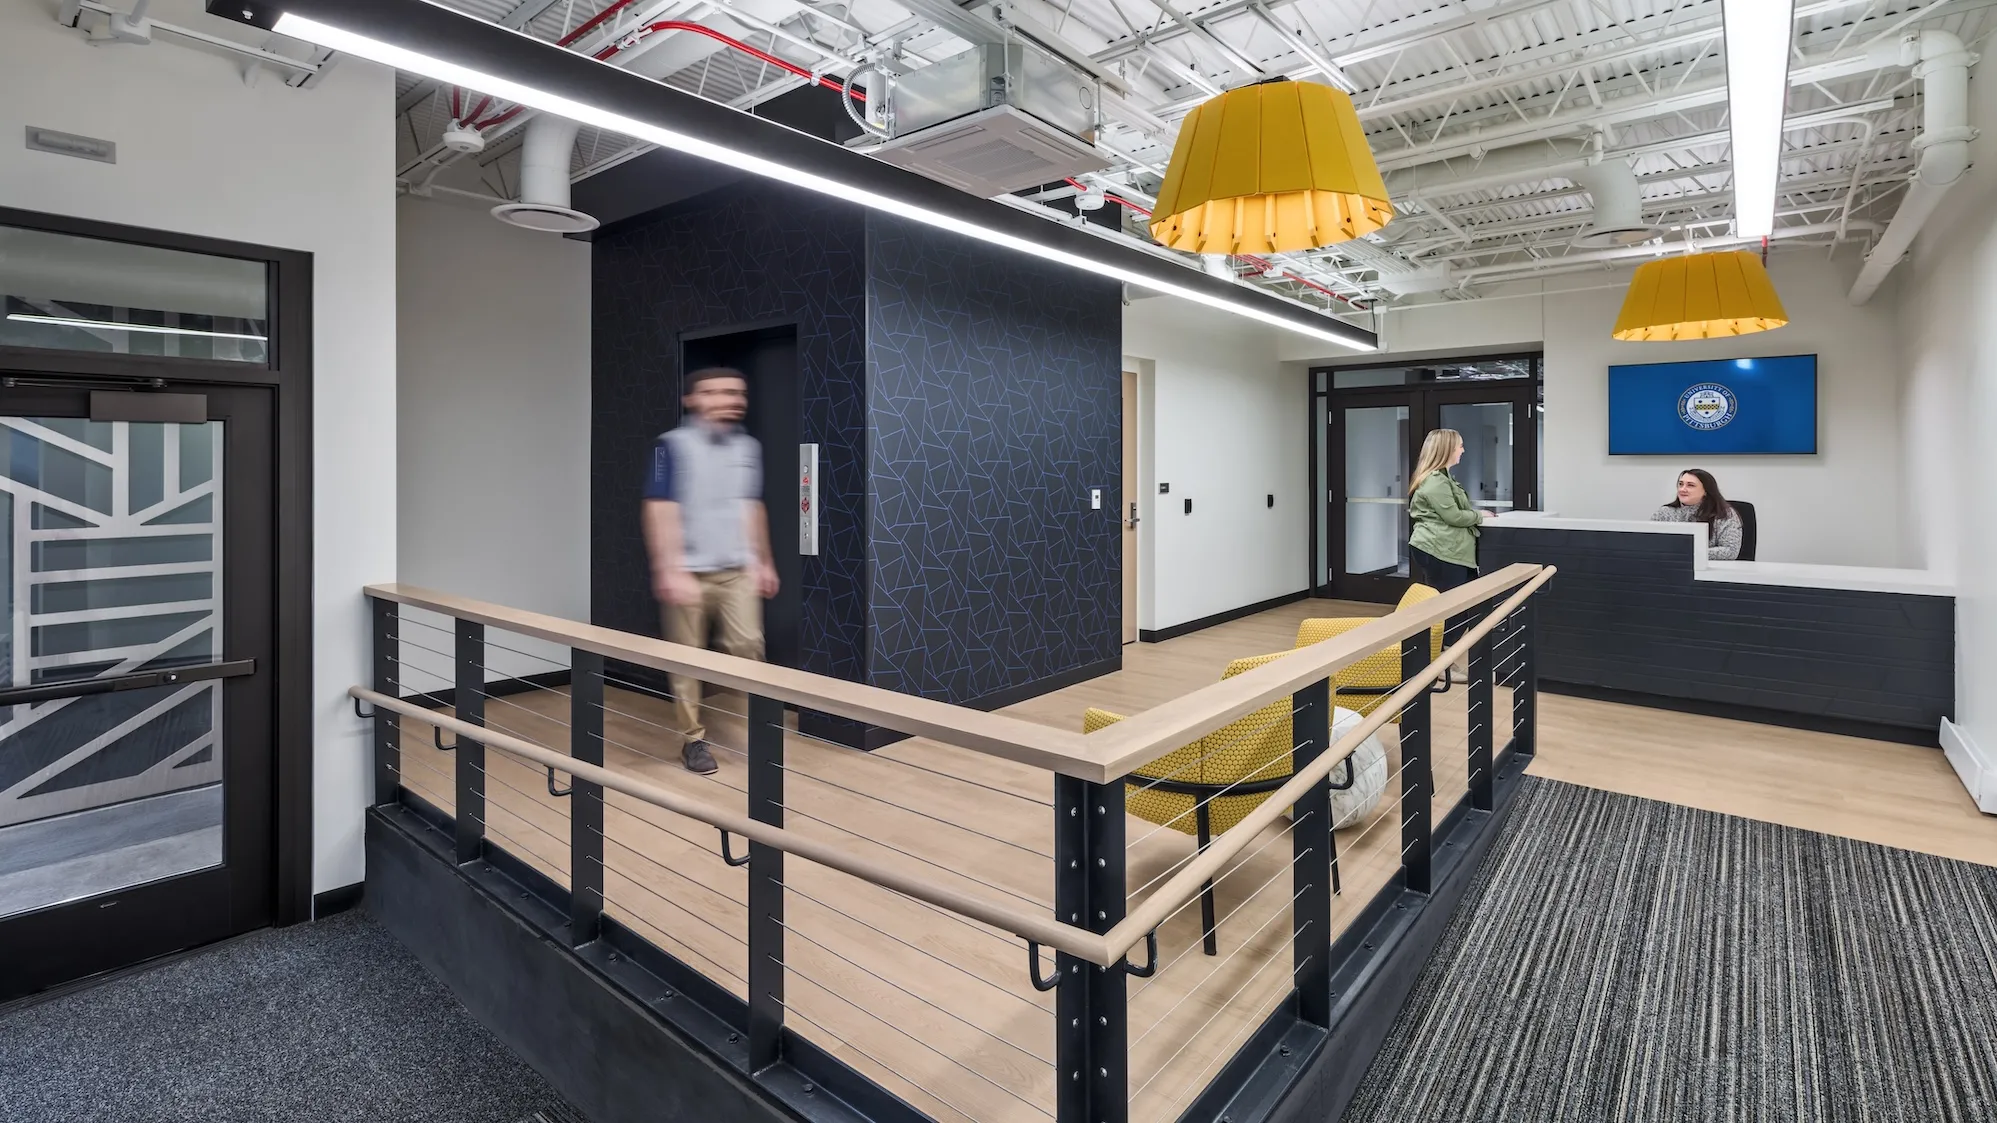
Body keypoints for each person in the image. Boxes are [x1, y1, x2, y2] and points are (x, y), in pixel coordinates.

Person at [642, 367, 779, 774]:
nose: (729, 400)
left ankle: (759, 728)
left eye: (736, 392)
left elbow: (751, 505)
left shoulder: (748, 448)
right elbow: (659, 508)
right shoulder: (670, 446)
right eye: (716, 392)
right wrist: (668, 568)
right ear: (692, 400)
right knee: (686, 658)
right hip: (689, 570)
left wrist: (764, 559)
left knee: (749, 646)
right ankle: (694, 741)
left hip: (737, 568)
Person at [1407, 427, 1487, 594]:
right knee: (1449, 605)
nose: (1463, 451)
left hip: (1447, 548)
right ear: (1447, 450)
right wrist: (1479, 515)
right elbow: (1454, 516)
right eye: (1460, 446)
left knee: (1460, 601)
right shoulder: (1436, 481)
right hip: (1439, 549)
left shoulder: (1444, 478)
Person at [1650, 468, 1742, 560]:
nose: (1682, 489)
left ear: (1706, 491)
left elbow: (1730, 551)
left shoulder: (1724, 514)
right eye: (1680, 484)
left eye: (1690, 485)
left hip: (1712, 569)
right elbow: (1649, 543)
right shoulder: (1664, 512)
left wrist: (1688, 553)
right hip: (1669, 566)